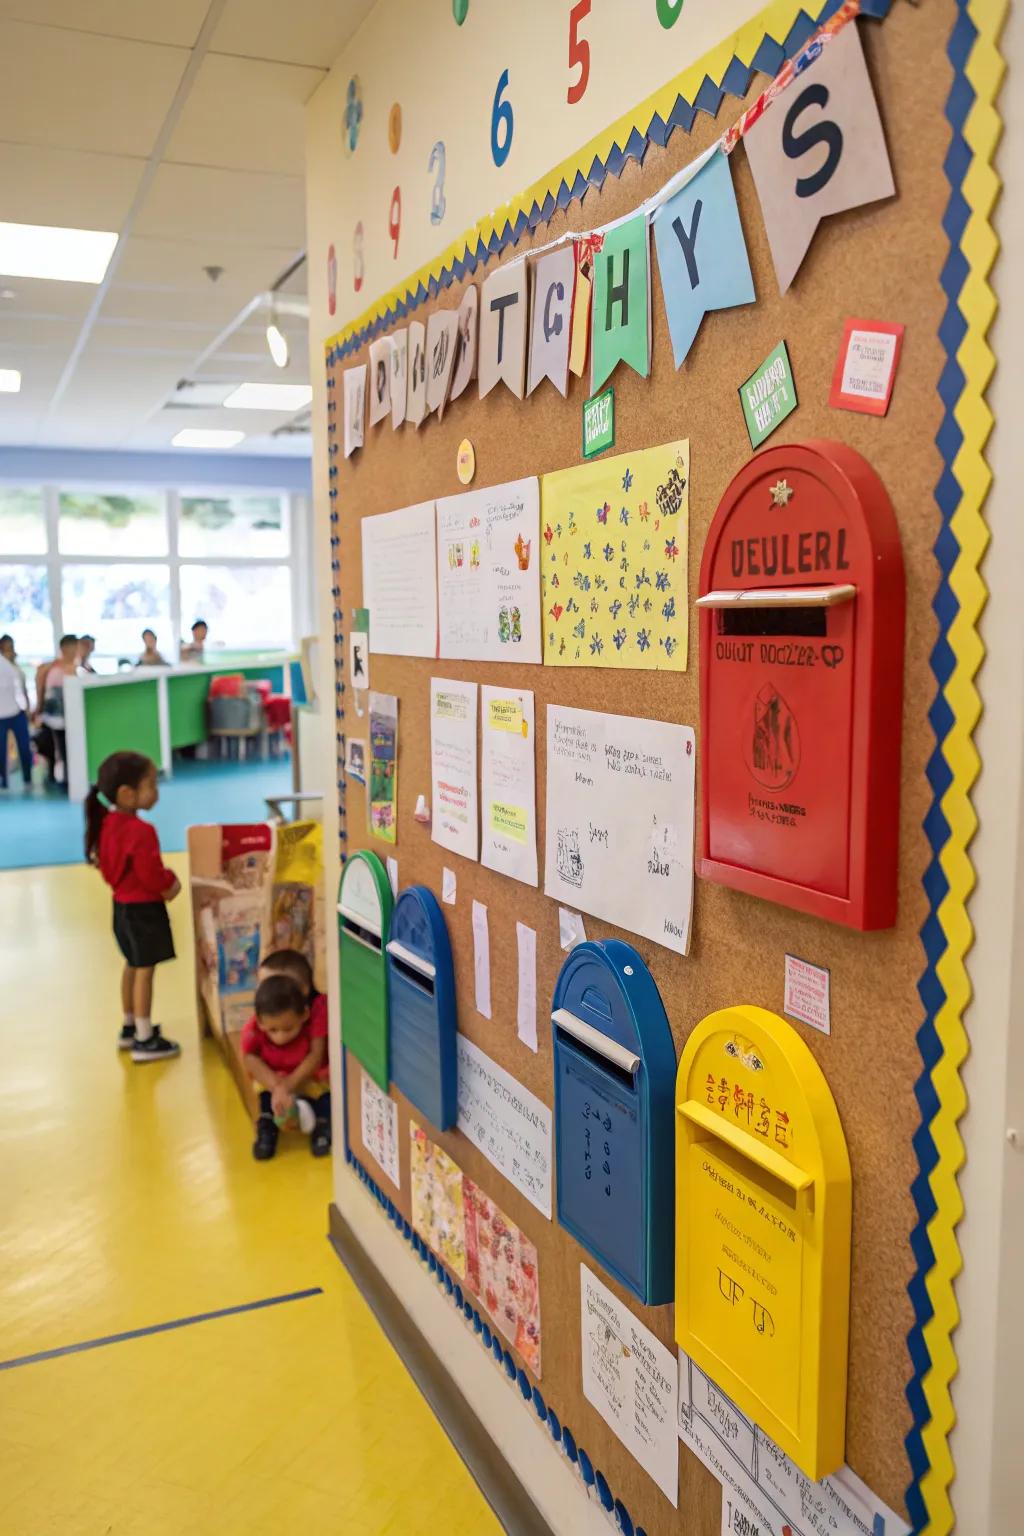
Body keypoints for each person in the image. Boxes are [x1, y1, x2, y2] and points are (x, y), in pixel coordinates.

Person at [84, 750, 182, 1062]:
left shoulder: (108, 823)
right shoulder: (141, 832)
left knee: (131, 965)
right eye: (151, 784)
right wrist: (171, 883)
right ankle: (144, 1039)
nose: (156, 791)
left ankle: (129, 1026)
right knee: (144, 971)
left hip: (122, 909)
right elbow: (150, 873)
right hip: (144, 912)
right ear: (127, 793)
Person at [241, 950, 331, 1160]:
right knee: (263, 1093)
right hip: (275, 1078)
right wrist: (277, 1086)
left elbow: (316, 1056)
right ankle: (266, 1125)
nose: (268, 992)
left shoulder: (316, 1009)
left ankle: (323, 1124)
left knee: (325, 1092)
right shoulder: (261, 1017)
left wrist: (288, 1085)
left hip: (308, 1075)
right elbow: (249, 1057)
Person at [34, 634, 79, 787]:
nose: (74, 651)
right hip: (53, 717)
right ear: (64, 648)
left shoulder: (72, 668)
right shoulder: (52, 667)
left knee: (65, 749)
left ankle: (66, 779)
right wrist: (38, 709)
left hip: (67, 717)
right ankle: (58, 778)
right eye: (72, 647)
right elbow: (41, 688)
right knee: (53, 748)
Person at [0, 634, 32, 790]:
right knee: (1, 750)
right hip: (1, 716)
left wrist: (28, 709)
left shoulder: (17, 669)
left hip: (18, 712)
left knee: (25, 747)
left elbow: (23, 690)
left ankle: (28, 778)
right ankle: (3, 781)